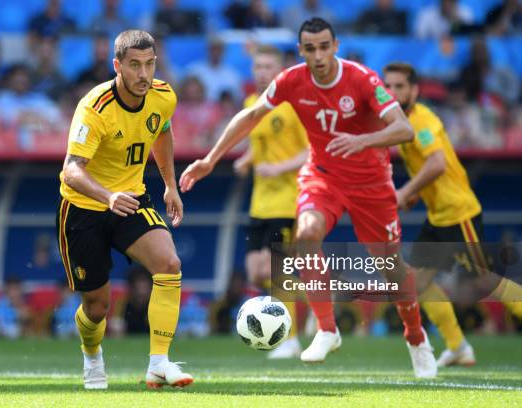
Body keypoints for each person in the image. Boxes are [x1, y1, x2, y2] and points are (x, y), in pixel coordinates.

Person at [180, 17, 437, 378]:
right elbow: (252, 114)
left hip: (371, 184)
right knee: (306, 235)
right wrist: (209, 159)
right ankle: (327, 329)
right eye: (310, 48)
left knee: (390, 268)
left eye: (324, 47)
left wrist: (361, 140)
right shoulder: (291, 80)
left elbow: (404, 128)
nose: (318, 55)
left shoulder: (363, 79)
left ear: (335, 46)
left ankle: (415, 337)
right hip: (323, 176)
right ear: (301, 51)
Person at [57, 29, 192, 390]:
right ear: (117, 65)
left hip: (132, 198)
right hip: (85, 208)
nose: (143, 74)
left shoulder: (163, 97)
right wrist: (107, 197)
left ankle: (159, 364)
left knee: (170, 264)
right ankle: (91, 355)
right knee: (97, 307)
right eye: (134, 65)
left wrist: (169, 185)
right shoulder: (94, 107)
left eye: (149, 65)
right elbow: (71, 171)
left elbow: (161, 133)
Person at [383, 62, 522, 366]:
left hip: (459, 215)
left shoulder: (421, 122)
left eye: (400, 87)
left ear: (415, 90)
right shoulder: (404, 123)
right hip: (438, 217)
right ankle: (458, 346)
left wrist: (405, 193)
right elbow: (429, 170)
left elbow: (437, 164)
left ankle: (460, 345)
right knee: (416, 284)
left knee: (484, 281)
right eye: (388, 86)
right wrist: (416, 195)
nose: (392, 93)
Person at [233, 45, 308, 359]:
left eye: (268, 66)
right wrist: (247, 160)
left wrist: (278, 167)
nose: (262, 71)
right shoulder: (252, 103)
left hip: (285, 201)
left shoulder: (292, 106)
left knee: (277, 270)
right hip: (259, 203)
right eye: (258, 66)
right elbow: (260, 145)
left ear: (279, 71)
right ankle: (318, 299)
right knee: (254, 272)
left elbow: (310, 151)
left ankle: (289, 339)